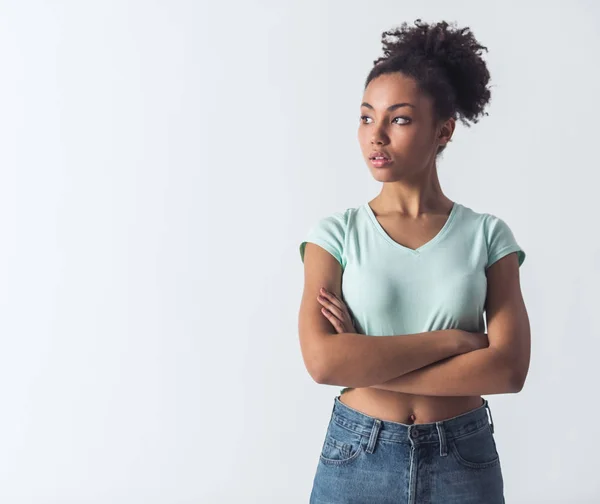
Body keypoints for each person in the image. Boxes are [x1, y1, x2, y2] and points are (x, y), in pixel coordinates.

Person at [298, 19, 530, 503]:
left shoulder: (487, 235)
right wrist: (453, 341)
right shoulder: (335, 235)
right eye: (366, 117)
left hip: (462, 460)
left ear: (443, 130)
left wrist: (363, 357)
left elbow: (508, 370)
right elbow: (322, 363)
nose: (375, 135)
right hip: (357, 456)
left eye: (398, 119)